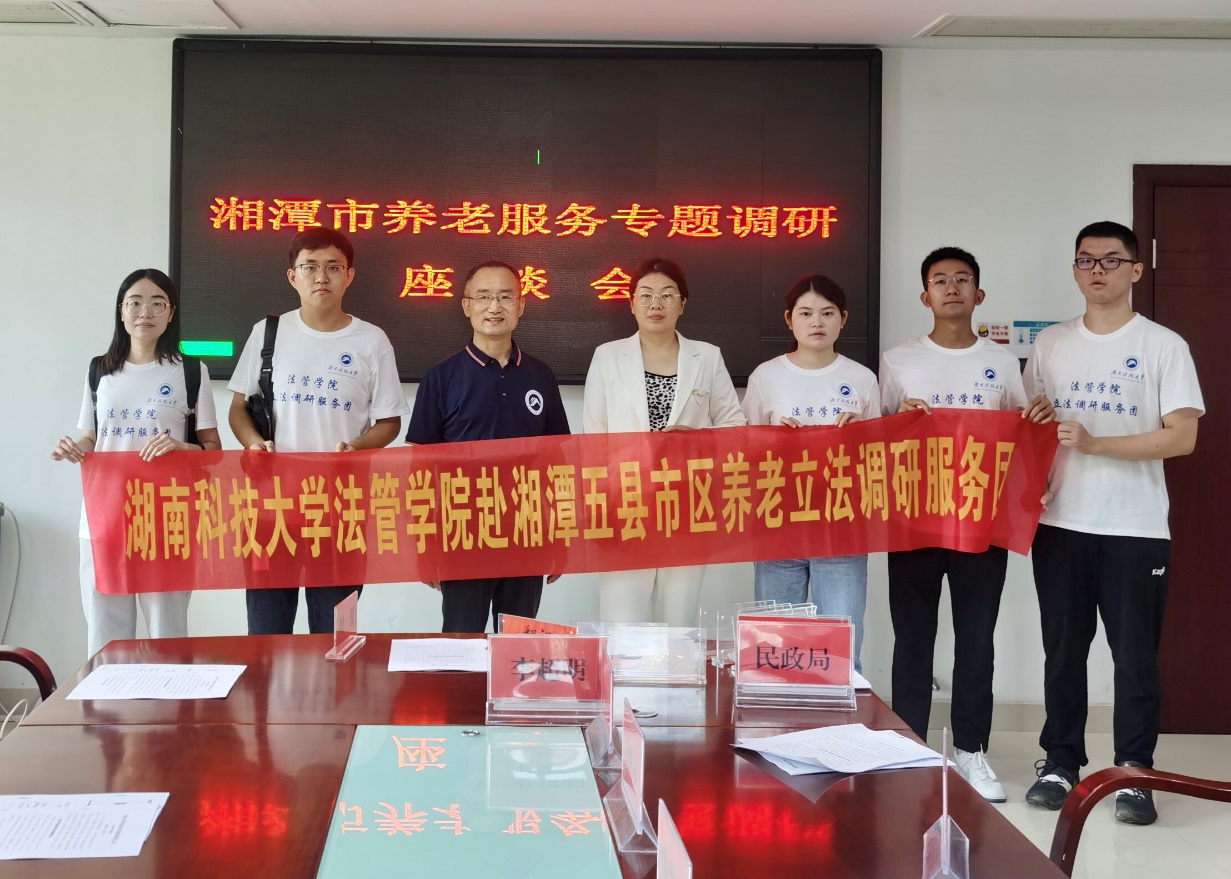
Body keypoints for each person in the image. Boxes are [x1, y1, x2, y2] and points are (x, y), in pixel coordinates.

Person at [1023, 221, 1203, 826]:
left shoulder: (1163, 345)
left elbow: (1182, 437)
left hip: (1135, 526)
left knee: (1134, 657)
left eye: (1110, 260)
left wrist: (1097, 444)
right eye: (1086, 260)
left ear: (1135, 270)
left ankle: (1134, 772)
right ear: (1074, 269)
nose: (1097, 270)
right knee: (1062, 653)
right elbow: (1029, 431)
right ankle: (1060, 762)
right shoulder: (1050, 344)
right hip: (1060, 524)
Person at [879, 246, 1054, 802]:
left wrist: (1040, 419)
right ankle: (909, 746)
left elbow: (1021, 434)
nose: (951, 288)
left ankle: (971, 750)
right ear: (924, 295)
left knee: (977, 639)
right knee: (913, 638)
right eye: (940, 280)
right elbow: (877, 438)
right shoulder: (897, 360)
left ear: (979, 294)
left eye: (962, 280)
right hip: (914, 520)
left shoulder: (1001, 361)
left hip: (981, 522)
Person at [228, 228, 408, 635]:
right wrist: (254, 443)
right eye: (309, 267)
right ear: (293, 276)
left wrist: (357, 447)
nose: (321, 277)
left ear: (349, 275)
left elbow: (389, 421)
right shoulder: (268, 332)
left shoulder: (372, 341)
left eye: (332, 267)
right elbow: (238, 408)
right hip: (271, 508)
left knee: (334, 635)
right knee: (267, 632)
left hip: (342, 509)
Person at [51, 269, 222, 656]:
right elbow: (92, 436)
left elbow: (212, 450)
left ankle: (169, 695)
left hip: (167, 516)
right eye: (135, 303)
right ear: (121, 311)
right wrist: (73, 447)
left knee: (167, 630)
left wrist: (181, 448)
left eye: (157, 303)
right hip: (105, 515)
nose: (145, 312)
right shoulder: (100, 370)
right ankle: (110, 696)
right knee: (106, 630)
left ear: (170, 313)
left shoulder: (190, 371)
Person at [405, 260, 570, 633]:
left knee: (519, 644)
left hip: (527, 533)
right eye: (483, 297)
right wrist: (424, 546)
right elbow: (420, 472)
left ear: (520, 305)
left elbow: (557, 464)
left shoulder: (541, 376)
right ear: (467, 306)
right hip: (463, 535)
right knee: (462, 642)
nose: (494, 307)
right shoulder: (440, 379)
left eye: (505, 297)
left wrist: (559, 538)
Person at [582, 256, 745, 626]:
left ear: (682, 303)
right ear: (632, 303)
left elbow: (736, 428)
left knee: (679, 623)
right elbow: (594, 439)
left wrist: (698, 440)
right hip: (625, 503)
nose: (656, 304)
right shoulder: (607, 357)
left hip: (686, 504)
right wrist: (598, 505)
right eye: (646, 294)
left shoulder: (707, 357)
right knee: (622, 624)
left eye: (667, 295)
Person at [742, 274, 879, 672]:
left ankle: (839, 714)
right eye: (805, 313)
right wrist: (772, 439)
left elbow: (882, 458)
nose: (816, 322)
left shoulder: (862, 379)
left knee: (841, 653)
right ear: (789, 320)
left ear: (843, 319)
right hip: (779, 526)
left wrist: (861, 435)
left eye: (827, 313)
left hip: (842, 528)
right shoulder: (766, 376)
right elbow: (744, 450)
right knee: (774, 650)